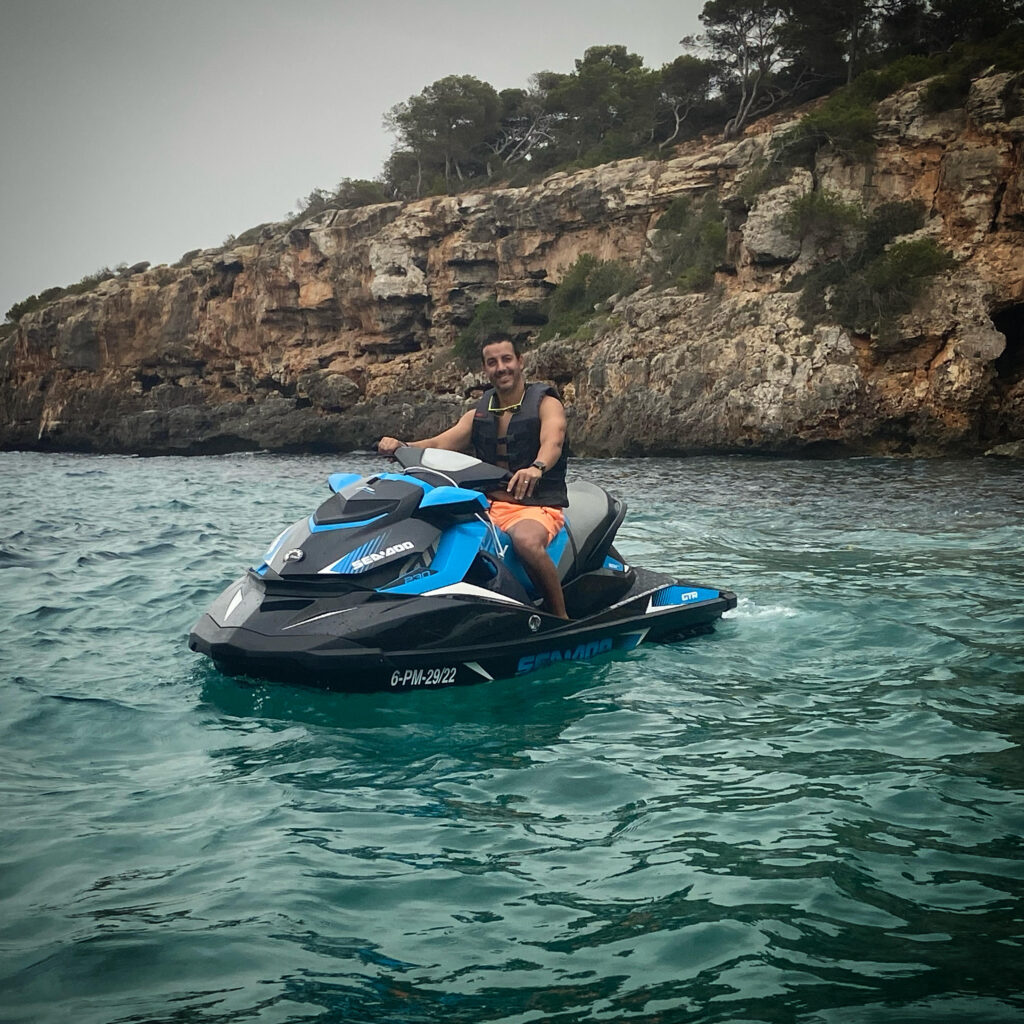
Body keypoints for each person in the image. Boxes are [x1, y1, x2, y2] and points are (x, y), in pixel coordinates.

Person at [378, 334, 570, 619]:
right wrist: (402, 447)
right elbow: (440, 443)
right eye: (492, 362)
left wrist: (537, 467)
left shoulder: (546, 403)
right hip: (486, 506)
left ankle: (560, 617)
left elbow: (553, 440)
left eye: (506, 359)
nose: (501, 368)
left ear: (520, 361)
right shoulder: (479, 414)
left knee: (526, 543)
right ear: (485, 369)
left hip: (534, 506)